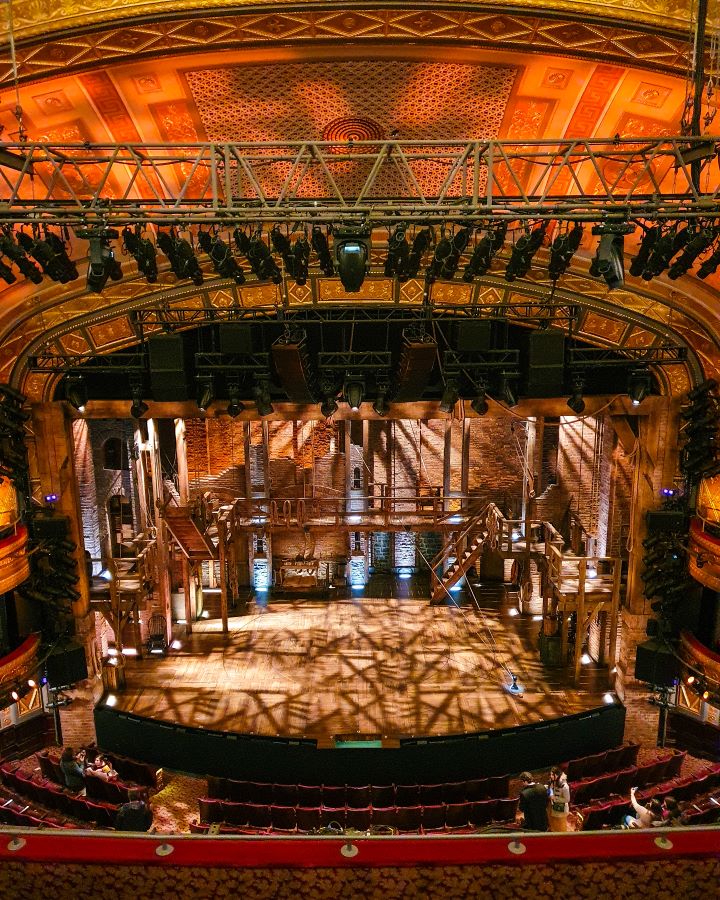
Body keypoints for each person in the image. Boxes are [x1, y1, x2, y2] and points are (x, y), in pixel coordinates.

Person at [548, 766, 571, 832]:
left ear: (557, 775)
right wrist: (551, 794)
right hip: (553, 807)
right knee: (554, 825)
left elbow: (567, 799)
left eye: (553, 774)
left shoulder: (565, 786)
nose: (551, 776)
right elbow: (550, 789)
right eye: (551, 774)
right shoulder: (552, 781)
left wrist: (555, 799)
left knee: (561, 828)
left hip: (561, 810)